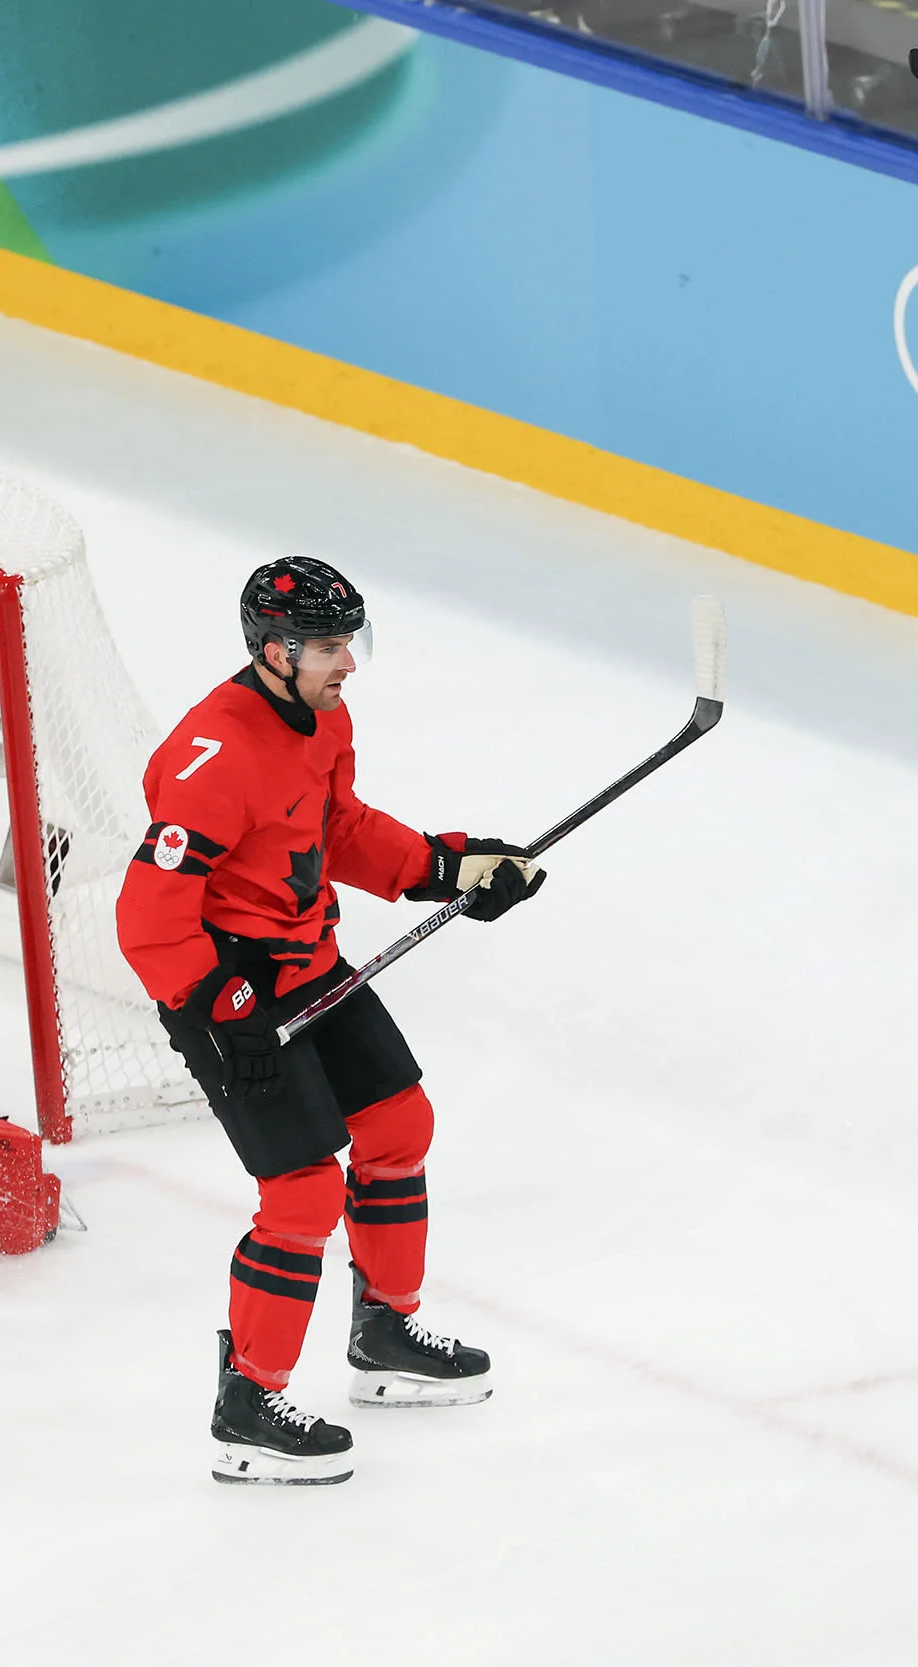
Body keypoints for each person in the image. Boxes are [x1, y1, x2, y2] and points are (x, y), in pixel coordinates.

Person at [116, 557, 543, 1486]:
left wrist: (446, 866)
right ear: (273, 652)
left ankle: (385, 1328)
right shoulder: (213, 757)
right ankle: (248, 1403)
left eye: (351, 640)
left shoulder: (324, 716)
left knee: (398, 1123)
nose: (346, 660)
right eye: (328, 645)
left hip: (310, 965)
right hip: (229, 996)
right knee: (304, 1193)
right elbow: (147, 919)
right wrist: (222, 1014)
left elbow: (336, 827)